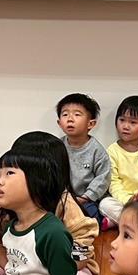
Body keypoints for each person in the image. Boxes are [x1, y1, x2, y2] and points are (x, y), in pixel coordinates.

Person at [0, 131, 98, 275]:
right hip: (19, 274)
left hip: (58, 274)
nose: (1, 180)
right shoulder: (6, 206)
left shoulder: (65, 204)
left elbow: (82, 252)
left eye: (12, 172)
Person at [98, 95, 138, 229]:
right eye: (122, 120)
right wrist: (128, 200)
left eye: (133, 122)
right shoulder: (112, 151)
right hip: (124, 201)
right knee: (105, 204)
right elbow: (113, 183)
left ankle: (122, 222)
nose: (125, 126)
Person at [57, 92, 110, 221]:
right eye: (65, 114)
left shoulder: (97, 150)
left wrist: (86, 197)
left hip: (87, 200)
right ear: (59, 123)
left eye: (77, 114)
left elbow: (103, 178)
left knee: (91, 216)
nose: (70, 119)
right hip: (62, 198)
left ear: (90, 124)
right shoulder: (57, 146)